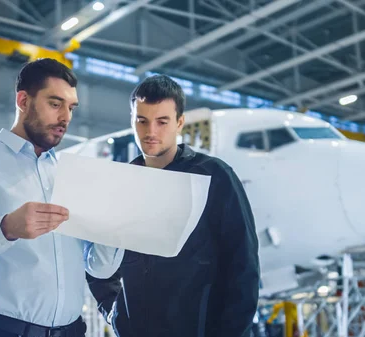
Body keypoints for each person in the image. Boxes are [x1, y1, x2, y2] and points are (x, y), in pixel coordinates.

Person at [0, 58, 124, 337]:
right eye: (55, 104)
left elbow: (99, 266)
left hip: (73, 332)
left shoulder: (70, 175)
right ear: (23, 101)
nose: (66, 118)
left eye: (70, 108)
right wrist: (6, 228)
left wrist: (113, 227)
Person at [86, 75, 260, 337]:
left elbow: (243, 268)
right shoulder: (120, 187)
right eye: (142, 121)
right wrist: (114, 312)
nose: (151, 131)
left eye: (162, 121)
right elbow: (97, 263)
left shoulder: (214, 176)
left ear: (180, 122)